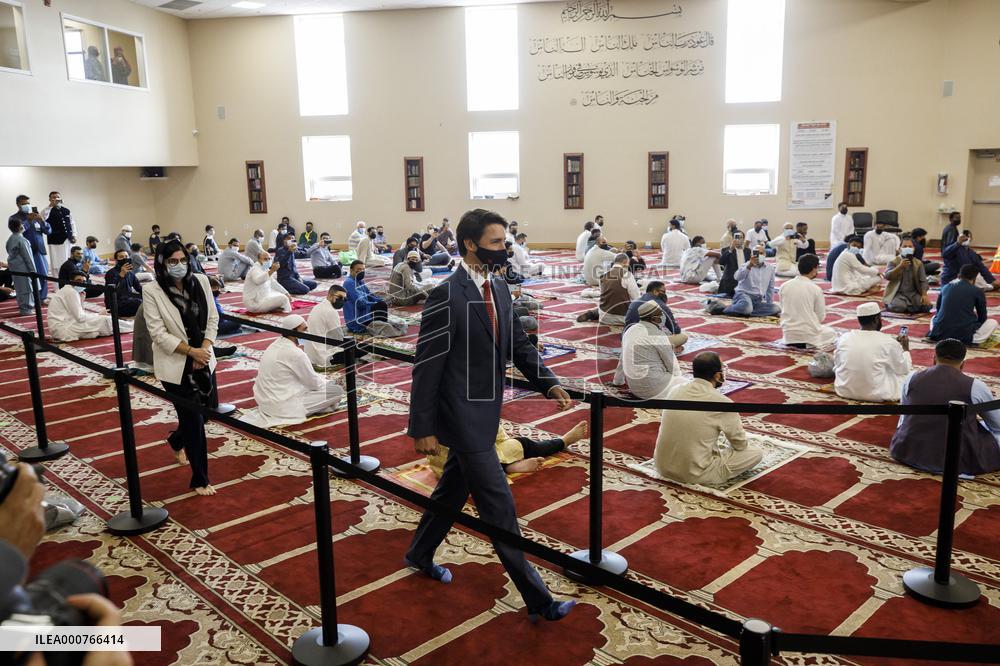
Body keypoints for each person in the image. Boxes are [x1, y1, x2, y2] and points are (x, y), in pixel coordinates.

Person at [405, 208, 576, 623]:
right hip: (462, 420)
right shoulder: (447, 295)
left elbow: (518, 343)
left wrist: (548, 382)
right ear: (470, 244)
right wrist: (422, 427)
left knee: (450, 493)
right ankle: (539, 600)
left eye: (505, 241)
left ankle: (419, 553)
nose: (505, 248)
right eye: (497, 242)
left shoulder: (498, 287)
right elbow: (427, 365)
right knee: (500, 509)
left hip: (487, 413)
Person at [142, 239, 219, 496]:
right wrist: (191, 352)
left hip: (204, 358)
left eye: (183, 260)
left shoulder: (202, 281)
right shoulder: (153, 290)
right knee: (194, 421)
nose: (179, 266)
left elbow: (213, 318)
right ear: (163, 263)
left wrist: (204, 349)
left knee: (200, 414)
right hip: (175, 363)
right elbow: (158, 333)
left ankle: (176, 440)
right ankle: (201, 478)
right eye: (173, 261)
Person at [890, 339, 1000, 476]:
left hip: (907, 451)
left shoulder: (912, 377)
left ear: (934, 359)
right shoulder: (975, 386)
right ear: (963, 364)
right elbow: (997, 424)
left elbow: (905, 416)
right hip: (956, 460)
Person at [653, 352, 763, 485]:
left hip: (661, 467)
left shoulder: (675, 390)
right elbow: (740, 444)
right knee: (755, 453)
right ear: (717, 375)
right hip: (694, 475)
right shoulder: (722, 402)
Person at [251, 314, 346, 426]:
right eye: (304, 329)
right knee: (336, 391)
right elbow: (314, 384)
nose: (307, 332)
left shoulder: (274, 345)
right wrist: (329, 383)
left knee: (317, 386)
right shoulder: (296, 354)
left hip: (265, 403)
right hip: (282, 406)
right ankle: (323, 406)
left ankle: (323, 406)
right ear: (293, 332)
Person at [428, 421, 587, 478]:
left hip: (442, 468)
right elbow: (496, 438)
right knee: (524, 444)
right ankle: (563, 441)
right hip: (464, 467)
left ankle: (506, 466)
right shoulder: (474, 401)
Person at [833, 302, 911, 402]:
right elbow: (903, 369)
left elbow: (837, 365)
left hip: (844, 390)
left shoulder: (844, 338)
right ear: (876, 319)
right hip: (876, 394)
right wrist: (905, 349)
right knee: (908, 377)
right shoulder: (888, 342)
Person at [614, 300, 684, 399]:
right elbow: (672, 365)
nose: (663, 316)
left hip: (635, 389)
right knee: (691, 387)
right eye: (660, 314)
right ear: (654, 318)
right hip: (656, 389)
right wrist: (679, 381)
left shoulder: (630, 330)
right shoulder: (657, 334)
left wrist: (618, 381)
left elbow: (622, 358)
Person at [928, 264, 998, 345]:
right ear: (974, 278)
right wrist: (975, 326)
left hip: (939, 334)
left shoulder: (946, 287)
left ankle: (941, 333)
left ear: (959, 275)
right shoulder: (977, 291)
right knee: (993, 322)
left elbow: (938, 311)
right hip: (965, 336)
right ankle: (970, 338)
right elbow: (982, 317)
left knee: (934, 318)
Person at [779, 254, 837, 349]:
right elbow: (820, 316)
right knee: (831, 333)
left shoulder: (784, 286)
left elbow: (783, 308)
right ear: (814, 269)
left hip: (788, 335)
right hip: (808, 336)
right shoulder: (815, 289)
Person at [47, 272, 115, 342]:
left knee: (99, 325)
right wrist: (98, 314)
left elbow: (78, 314)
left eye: (84, 281)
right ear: (71, 280)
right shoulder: (71, 292)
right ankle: (127, 327)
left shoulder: (68, 290)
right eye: (78, 280)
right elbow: (80, 318)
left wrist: (81, 301)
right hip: (64, 329)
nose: (81, 283)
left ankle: (88, 334)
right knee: (105, 320)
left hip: (62, 327)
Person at [344, 260, 406, 336]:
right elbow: (360, 303)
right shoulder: (349, 283)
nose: (361, 271)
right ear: (351, 270)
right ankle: (379, 329)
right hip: (357, 319)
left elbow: (369, 294)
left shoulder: (360, 280)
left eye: (363, 269)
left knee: (382, 303)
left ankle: (380, 326)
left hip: (365, 312)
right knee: (380, 306)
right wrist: (375, 303)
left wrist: (380, 300)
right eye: (358, 269)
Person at [10, 194, 51, 301]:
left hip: (39, 251)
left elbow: (48, 231)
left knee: (43, 275)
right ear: (18, 205)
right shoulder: (14, 218)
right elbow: (18, 231)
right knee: (29, 277)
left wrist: (42, 221)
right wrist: (28, 221)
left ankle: (42, 298)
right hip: (25, 252)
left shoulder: (36, 216)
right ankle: (31, 300)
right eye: (24, 204)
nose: (27, 205)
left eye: (28, 203)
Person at [623, 281, 687, 347]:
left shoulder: (635, 301)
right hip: (644, 344)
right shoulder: (660, 305)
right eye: (663, 292)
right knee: (683, 337)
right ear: (655, 291)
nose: (665, 295)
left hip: (626, 339)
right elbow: (675, 330)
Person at [719, 250, 780, 317]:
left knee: (776, 308)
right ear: (752, 255)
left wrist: (769, 304)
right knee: (747, 307)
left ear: (765, 254)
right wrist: (749, 266)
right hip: (743, 295)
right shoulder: (745, 265)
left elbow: (770, 288)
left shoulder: (770, 268)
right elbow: (736, 277)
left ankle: (744, 311)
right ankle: (724, 309)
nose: (759, 255)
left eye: (761, 253)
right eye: (756, 253)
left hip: (757, 300)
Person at [304, 285, 350, 366]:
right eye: (339, 297)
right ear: (329, 295)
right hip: (323, 355)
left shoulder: (318, 306)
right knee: (357, 349)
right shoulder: (331, 311)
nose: (342, 300)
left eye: (344, 299)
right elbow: (338, 338)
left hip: (310, 354)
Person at [883, 237, 931, 314]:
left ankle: (908, 307)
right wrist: (900, 267)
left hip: (913, 293)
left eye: (910, 246)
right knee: (899, 307)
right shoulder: (893, 262)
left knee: (927, 307)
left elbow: (923, 280)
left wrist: (924, 295)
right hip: (898, 294)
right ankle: (894, 304)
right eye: (905, 246)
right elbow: (887, 276)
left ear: (914, 249)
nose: (907, 248)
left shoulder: (918, 263)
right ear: (900, 249)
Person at [6, 218, 37, 315]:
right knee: (27, 289)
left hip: (14, 268)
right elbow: (28, 257)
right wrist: (33, 271)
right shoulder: (22, 240)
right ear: (20, 226)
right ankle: (27, 309)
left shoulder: (10, 239)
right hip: (24, 269)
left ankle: (23, 307)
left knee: (19, 288)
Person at [42, 191, 75, 269]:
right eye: (53, 197)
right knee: (57, 262)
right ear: (50, 199)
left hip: (68, 238)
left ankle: (69, 276)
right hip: (55, 240)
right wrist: (50, 206)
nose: (56, 199)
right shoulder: (47, 210)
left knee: (69, 259)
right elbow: (42, 219)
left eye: (58, 197)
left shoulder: (66, 210)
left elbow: (72, 223)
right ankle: (57, 279)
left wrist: (74, 235)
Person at [104, 252, 144, 317]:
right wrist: (121, 275)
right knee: (140, 303)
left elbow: (139, 288)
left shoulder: (130, 273)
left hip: (128, 300)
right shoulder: (111, 273)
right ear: (116, 260)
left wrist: (150, 296)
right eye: (121, 257)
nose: (125, 258)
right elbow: (111, 290)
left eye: (126, 256)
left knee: (147, 300)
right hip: (116, 305)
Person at [717, 232, 751, 298]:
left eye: (740, 237)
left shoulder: (748, 251)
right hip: (731, 281)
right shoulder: (726, 250)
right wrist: (731, 249)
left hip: (744, 280)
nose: (738, 240)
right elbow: (721, 262)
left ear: (743, 239)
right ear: (733, 239)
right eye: (736, 237)